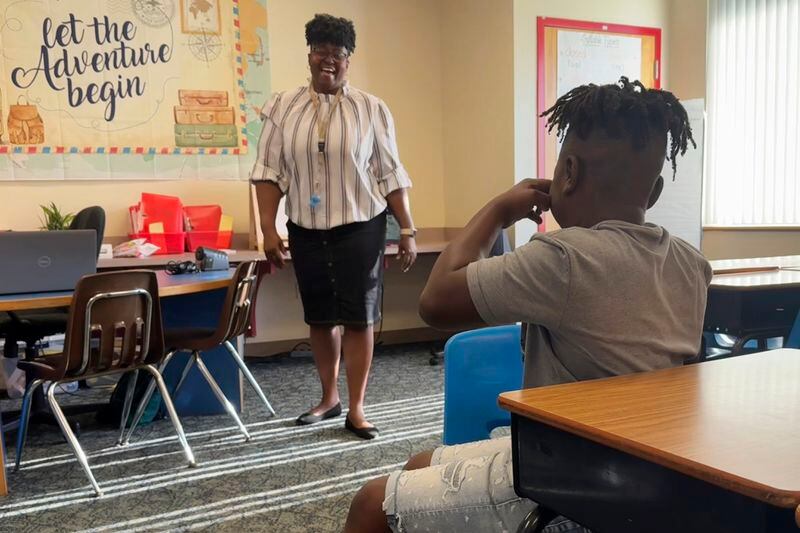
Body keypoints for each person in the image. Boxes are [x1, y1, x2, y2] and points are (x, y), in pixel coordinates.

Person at [344, 77, 713, 532]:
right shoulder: (692, 265)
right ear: (654, 192)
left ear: (569, 174)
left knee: (370, 504)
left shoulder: (563, 258)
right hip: (646, 474)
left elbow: (435, 302)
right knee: (420, 464)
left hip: (569, 480)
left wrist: (499, 210)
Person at [250, 14, 417, 440]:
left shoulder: (371, 108)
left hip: (361, 225)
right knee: (321, 317)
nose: (329, 60)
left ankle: (357, 407)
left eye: (338, 54)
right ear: (309, 55)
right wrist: (269, 230)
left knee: (359, 318)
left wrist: (409, 229)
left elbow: (390, 173)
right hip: (305, 227)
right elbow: (268, 172)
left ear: (349, 60)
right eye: (321, 51)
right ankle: (329, 397)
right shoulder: (282, 107)